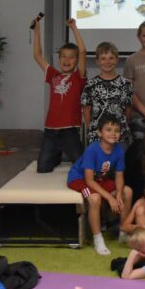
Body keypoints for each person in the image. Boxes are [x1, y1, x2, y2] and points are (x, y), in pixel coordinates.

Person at [33, 16, 86, 173]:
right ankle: (56, 154)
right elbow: (37, 56)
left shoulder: (78, 77)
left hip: (70, 131)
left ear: (76, 61)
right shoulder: (53, 75)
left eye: (71, 57)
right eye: (63, 56)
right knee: (43, 168)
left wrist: (73, 28)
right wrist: (37, 31)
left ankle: (64, 151)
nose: (67, 60)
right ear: (59, 58)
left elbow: (82, 51)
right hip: (51, 130)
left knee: (83, 168)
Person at [67, 115, 126, 255]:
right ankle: (98, 239)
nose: (113, 133)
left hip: (98, 179)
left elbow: (119, 176)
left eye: (117, 130)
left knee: (126, 192)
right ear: (100, 132)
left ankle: (124, 232)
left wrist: (118, 194)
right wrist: (110, 198)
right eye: (108, 130)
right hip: (79, 180)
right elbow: (89, 181)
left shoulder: (119, 150)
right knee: (95, 198)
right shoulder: (92, 150)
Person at [81, 42, 134, 146]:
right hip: (97, 137)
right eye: (103, 58)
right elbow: (86, 109)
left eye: (111, 58)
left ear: (117, 60)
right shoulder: (90, 85)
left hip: (120, 136)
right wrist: (92, 128)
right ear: (97, 61)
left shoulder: (126, 84)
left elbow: (129, 109)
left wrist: (122, 125)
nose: (107, 62)